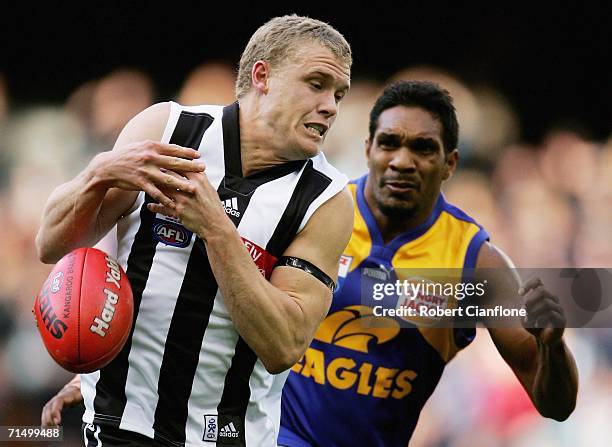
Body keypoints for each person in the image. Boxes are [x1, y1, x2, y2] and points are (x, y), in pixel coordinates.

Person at [37, 14, 354, 447]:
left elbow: (283, 345)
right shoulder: (168, 130)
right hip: (116, 419)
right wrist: (98, 173)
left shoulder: (326, 200)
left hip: (222, 435)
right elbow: (51, 245)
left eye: (338, 94)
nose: (331, 106)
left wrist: (217, 230)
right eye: (316, 84)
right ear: (262, 75)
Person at [278, 81, 578, 446]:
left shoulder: (473, 261)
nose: (402, 161)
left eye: (423, 148)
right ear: (369, 148)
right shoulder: (316, 208)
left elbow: (556, 406)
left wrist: (552, 345)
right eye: (389, 143)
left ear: (449, 163)